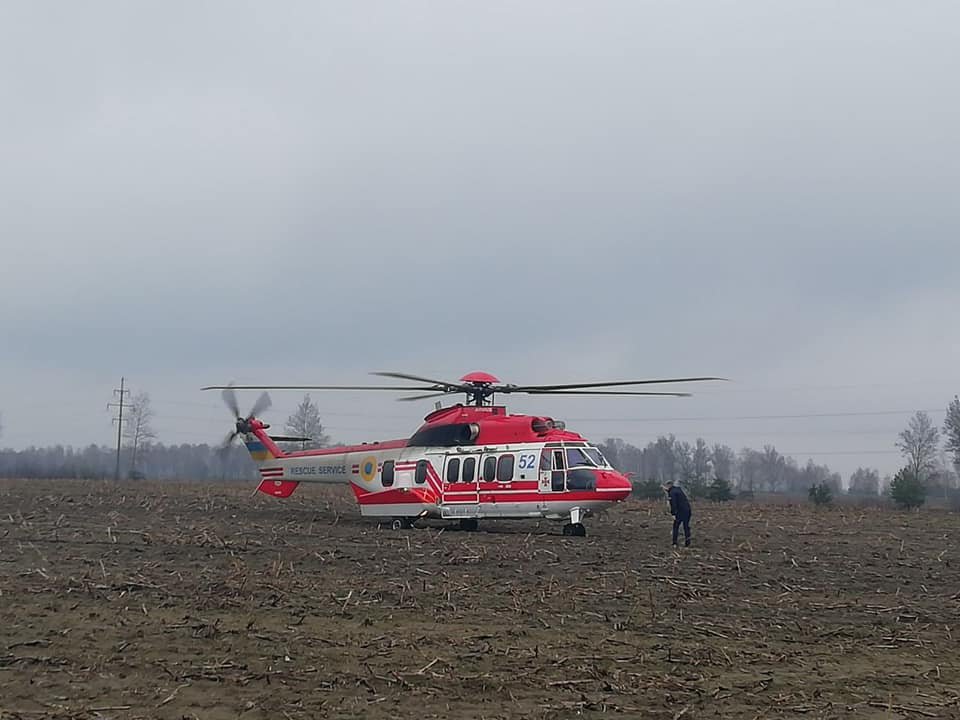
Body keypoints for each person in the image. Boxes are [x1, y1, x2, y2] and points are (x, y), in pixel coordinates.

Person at [663, 480, 692, 547]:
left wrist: (673, 514)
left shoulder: (672, 493)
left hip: (680, 512)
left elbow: (673, 504)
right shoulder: (678, 490)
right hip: (688, 510)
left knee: (676, 526)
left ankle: (674, 543)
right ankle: (688, 542)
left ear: (669, 485)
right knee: (686, 526)